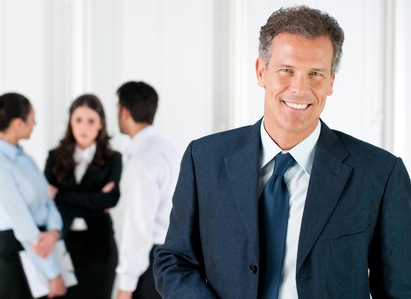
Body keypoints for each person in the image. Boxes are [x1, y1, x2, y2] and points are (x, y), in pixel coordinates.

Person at [153, 5, 411, 299]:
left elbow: (401, 287)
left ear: (331, 82)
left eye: (315, 73)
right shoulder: (204, 159)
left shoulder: (380, 173)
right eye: (286, 70)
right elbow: (175, 260)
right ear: (261, 72)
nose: (299, 88)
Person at [0, 92, 66, 299]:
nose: (35, 122)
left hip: (37, 254)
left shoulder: (25, 159)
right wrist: (53, 273)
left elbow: (48, 202)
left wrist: (54, 232)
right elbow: (24, 227)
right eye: (32, 117)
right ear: (18, 123)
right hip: (9, 261)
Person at [44, 94, 122, 299]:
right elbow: (46, 203)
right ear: (70, 122)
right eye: (78, 120)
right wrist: (93, 200)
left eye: (91, 121)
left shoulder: (113, 159)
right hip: (62, 244)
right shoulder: (54, 157)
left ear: (101, 125)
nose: (84, 127)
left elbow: (110, 199)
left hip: (100, 248)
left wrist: (60, 195)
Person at [113, 81, 180, 299]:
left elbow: (138, 228)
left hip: (148, 265)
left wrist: (125, 286)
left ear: (124, 112)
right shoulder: (168, 149)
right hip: (171, 259)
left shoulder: (141, 160)